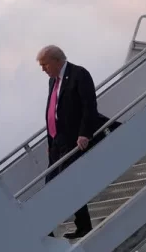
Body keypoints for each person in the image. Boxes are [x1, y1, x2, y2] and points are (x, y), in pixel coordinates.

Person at [37, 45, 99, 239]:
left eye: (45, 64)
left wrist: (84, 134)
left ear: (56, 61)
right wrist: (50, 141)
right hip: (57, 142)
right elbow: (52, 112)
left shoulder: (79, 74)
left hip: (73, 139)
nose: (43, 69)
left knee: (65, 183)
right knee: (52, 184)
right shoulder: (52, 81)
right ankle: (75, 226)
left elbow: (90, 106)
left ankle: (56, 227)